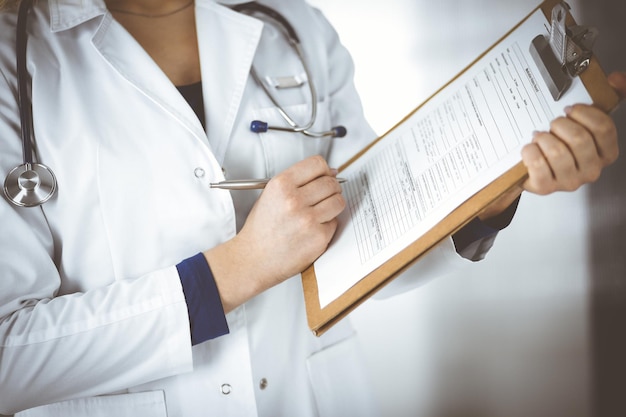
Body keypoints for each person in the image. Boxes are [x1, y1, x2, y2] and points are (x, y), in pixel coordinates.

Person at [0, 0, 623, 416]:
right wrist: (240, 267)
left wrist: (497, 191)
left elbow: (370, 245)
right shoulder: (17, 57)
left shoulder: (292, 25)